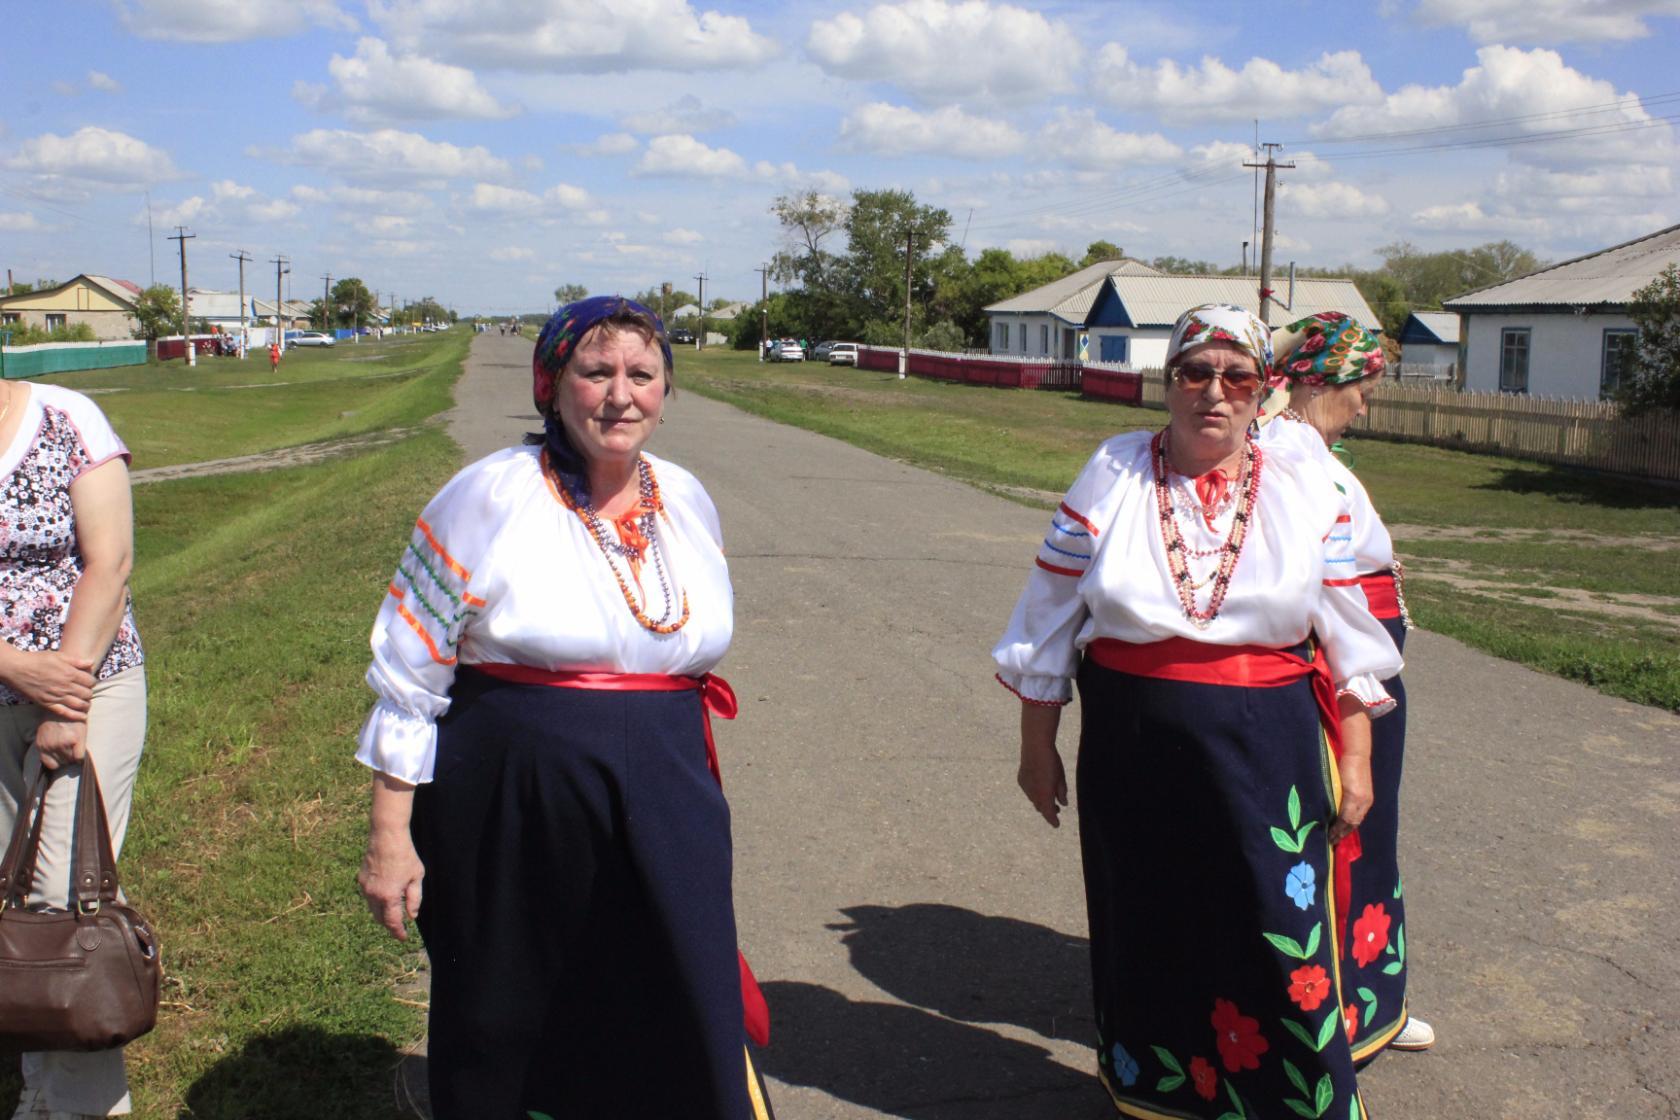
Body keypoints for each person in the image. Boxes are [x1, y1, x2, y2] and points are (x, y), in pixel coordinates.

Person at [354, 296, 771, 1120]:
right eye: (596, 372)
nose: (621, 395)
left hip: (669, 785)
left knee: (672, 984)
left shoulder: (685, 499)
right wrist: (389, 837)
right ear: (552, 385)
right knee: (512, 1002)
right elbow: (409, 675)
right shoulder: (489, 496)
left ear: (665, 390)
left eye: (642, 374)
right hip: (513, 793)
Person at [994, 303, 1403, 1119]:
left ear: (1262, 391)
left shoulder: (1303, 483)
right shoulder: (1111, 474)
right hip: (1134, 741)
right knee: (1151, 925)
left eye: (1237, 377)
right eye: (1194, 372)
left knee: (1276, 932)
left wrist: (1354, 758)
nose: (1214, 393)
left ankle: (1298, 1103)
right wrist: (1035, 750)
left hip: (1269, 742)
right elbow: (1047, 621)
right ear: (1167, 383)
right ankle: (1165, 1099)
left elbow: (1347, 635)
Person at [1257, 311, 1432, 1057]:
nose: (1367, 402)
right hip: (1341, 667)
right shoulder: (1291, 454)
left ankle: (1368, 999)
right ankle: (1340, 1015)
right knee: (1345, 828)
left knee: (1369, 828)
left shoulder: (1311, 449)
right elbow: (1318, 587)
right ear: (1329, 379)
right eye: (1364, 385)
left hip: (1361, 658)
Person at [0, 379, 146, 1120]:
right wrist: (11, 664)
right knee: (11, 903)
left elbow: (110, 562)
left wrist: (64, 698)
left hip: (90, 685)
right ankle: (41, 1093)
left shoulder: (65, 417)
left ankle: (87, 1105)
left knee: (62, 900)